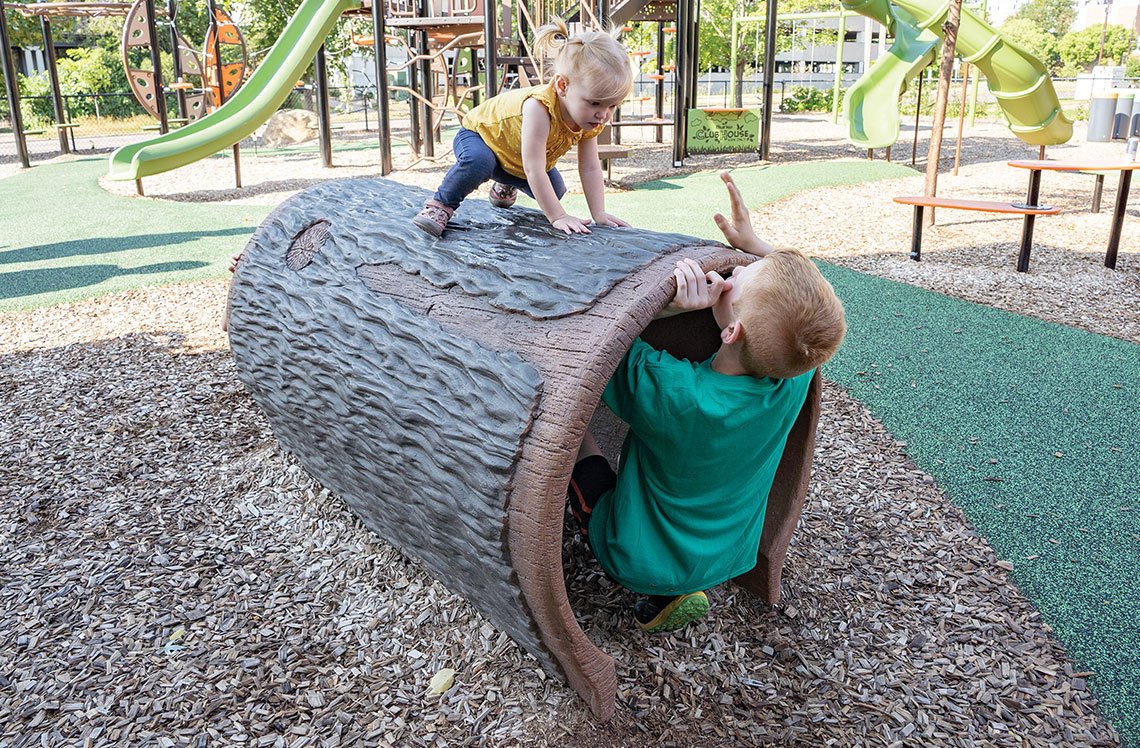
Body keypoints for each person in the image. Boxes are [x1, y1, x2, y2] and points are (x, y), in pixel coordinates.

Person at [567, 171, 847, 634]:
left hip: (636, 557)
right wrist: (757, 244)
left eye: (741, 274)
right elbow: (809, 314)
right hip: (728, 552)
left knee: (576, 435)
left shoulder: (673, 391)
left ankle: (655, 585)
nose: (735, 268)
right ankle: (679, 590)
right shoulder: (793, 371)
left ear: (732, 332)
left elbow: (598, 339)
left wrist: (668, 309)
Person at [413, 19, 633, 238]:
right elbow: (534, 169)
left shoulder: (589, 120)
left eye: (612, 105)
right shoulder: (539, 108)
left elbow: (591, 168)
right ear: (563, 86)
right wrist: (558, 216)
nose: (603, 114)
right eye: (595, 103)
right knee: (479, 162)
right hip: (480, 136)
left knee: (555, 189)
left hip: (514, 154)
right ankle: (440, 205)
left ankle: (505, 182)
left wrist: (599, 213)